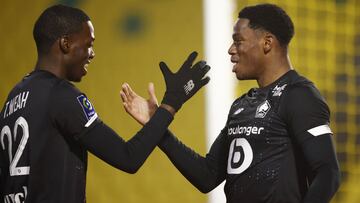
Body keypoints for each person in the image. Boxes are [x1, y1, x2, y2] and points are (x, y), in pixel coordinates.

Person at [121, 3, 341, 203]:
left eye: (238, 41)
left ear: (267, 43)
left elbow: (327, 172)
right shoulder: (241, 106)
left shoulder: (299, 95)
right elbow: (207, 176)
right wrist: (157, 126)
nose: (231, 49)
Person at [0, 4, 210, 203]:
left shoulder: (12, 100)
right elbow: (128, 158)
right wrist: (171, 103)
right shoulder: (61, 95)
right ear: (65, 43)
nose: (92, 53)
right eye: (88, 45)